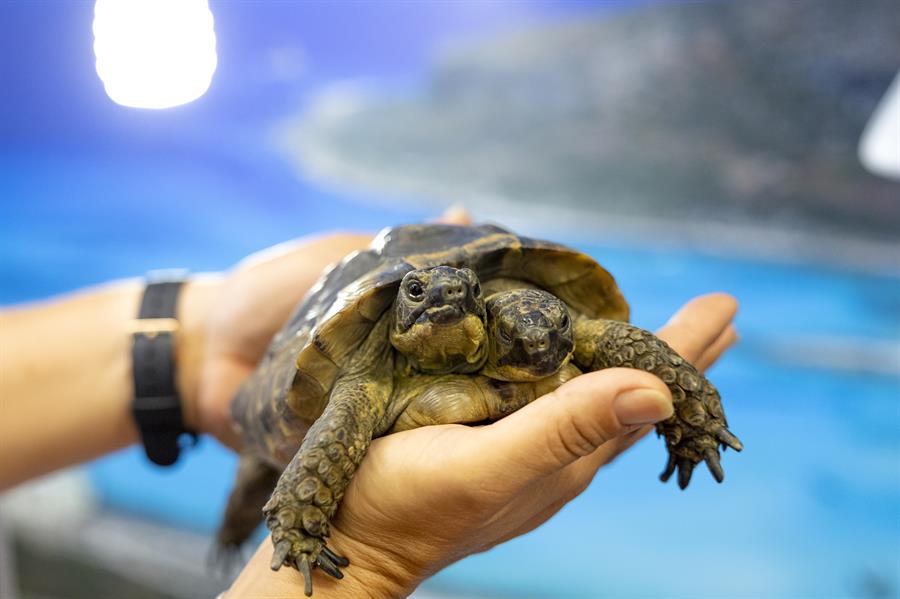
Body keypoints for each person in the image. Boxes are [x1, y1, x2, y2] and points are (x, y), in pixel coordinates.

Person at [0, 210, 738, 598]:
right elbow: (311, 460)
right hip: (369, 383)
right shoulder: (363, 383)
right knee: (272, 473)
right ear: (398, 314)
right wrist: (373, 561)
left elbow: (615, 339)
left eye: (461, 293)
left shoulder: (528, 316)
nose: (443, 293)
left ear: (481, 303)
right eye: (419, 293)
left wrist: (689, 414)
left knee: (617, 356)